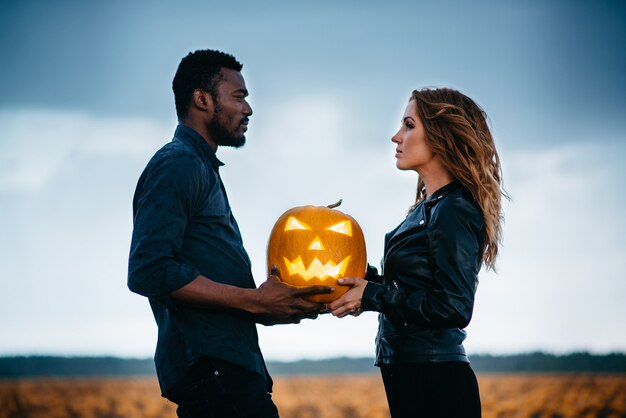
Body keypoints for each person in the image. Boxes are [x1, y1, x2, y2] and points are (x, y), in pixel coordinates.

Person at [127, 49, 332, 418]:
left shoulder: (200, 166)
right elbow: (149, 269)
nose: (248, 109)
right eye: (239, 97)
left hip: (224, 368)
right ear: (202, 99)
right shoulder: (178, 164)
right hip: (213, 369)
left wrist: (269, 306)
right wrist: (252, 302)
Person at [329, 88, 506, 418]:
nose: (396, 136)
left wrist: (372, 295)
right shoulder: (427, 207)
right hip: (411, 376)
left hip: (436, 382)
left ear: (440, 137)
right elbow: (412, 288)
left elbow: (452, 306)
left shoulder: (454, 209)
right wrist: (359, 280)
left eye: (409, 125)